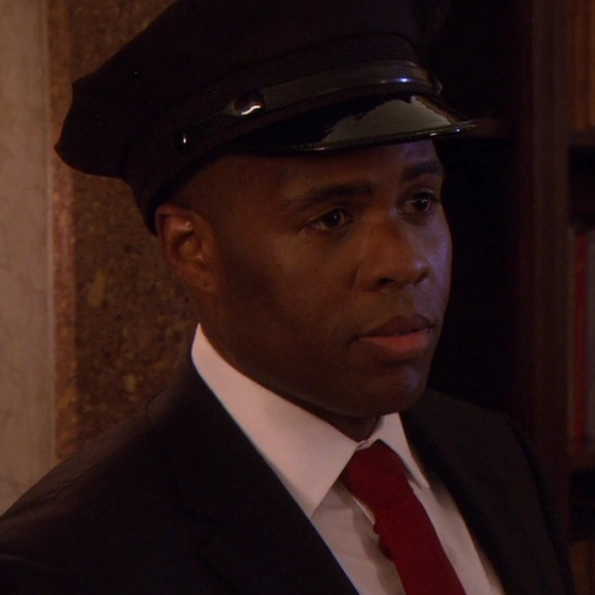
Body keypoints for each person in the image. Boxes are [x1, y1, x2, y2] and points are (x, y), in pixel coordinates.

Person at [0, 0, 576, 593]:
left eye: (420, 202)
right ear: (192, 249)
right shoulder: (67, 563)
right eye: (332, 218)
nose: (406, 263)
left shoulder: (496, 458)